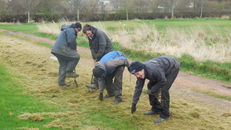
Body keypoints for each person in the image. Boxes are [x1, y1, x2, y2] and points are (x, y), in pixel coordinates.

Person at [128, 56, 180, 123]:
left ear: (142, 69)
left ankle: (165, 115)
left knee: (164, 90)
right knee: (150, 86)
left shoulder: (153, 70)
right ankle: (156, 109)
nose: (137, 76)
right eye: (135, 75)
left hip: (172, 67)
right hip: (161, 67)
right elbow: (138, 88)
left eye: (138, 74)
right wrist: (134, 103)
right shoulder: (140, 73)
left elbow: (163, 81)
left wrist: (152, 90)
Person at [51, 22, 82, 87]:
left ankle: (61, 82)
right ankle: (69, 71)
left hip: (57, 50)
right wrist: (74, 49)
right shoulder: (71, 30)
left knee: (63, 65)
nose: (78, 32)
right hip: (62, 49)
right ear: (77, 28)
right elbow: (71, 40)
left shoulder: (66, 30)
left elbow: (68, 41)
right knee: (76, 56)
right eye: (79, 30)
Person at [82, 24, 113, 88]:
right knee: (98, 68)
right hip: (99, 52)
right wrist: (94, 56)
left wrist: (97, 56)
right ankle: (97, 84)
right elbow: (91, 47)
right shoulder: (89, 36)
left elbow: (102, 46)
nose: (88, 35)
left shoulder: (99, 33)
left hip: (106, 52)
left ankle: (103, 84)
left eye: (88, 33)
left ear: (91, 30)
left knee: (102, 68)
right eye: (86, 34)